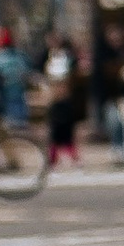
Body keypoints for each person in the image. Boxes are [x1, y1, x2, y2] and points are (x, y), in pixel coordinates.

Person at [42, 37, 82, 167]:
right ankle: (53, 157)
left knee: (68, 130)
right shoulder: (46, 57)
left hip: (66, 99)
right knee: (55, 130)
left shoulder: (69, 58)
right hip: (54, 98)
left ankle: (72, 156)